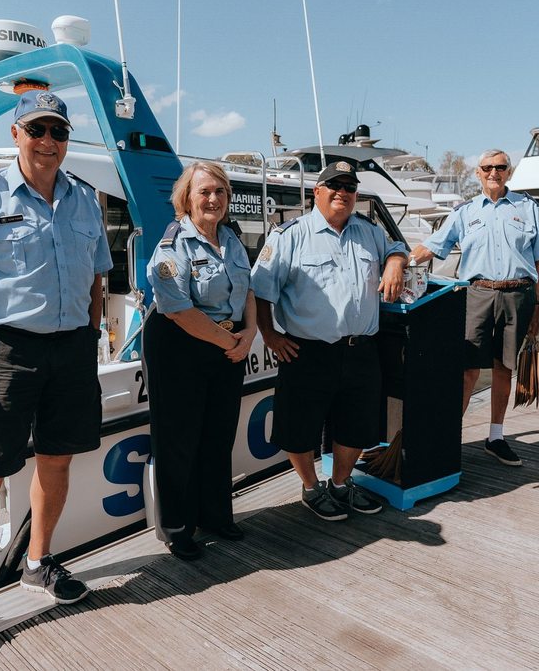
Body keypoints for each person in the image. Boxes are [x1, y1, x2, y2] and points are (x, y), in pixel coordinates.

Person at [0, 90, 113, 671]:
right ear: (16, 134)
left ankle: (38, 561)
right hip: (4, 350)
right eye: (37, 129)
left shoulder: (86, 199)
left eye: (58, 132)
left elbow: (97, 281)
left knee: (57, 460)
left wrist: (89, 337)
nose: (49, 141)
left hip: (71, 351)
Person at [251, 161, 407, 521]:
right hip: (307, 352)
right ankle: (310, 488)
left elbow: (396, 246)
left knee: (357, 425)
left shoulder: (369, 232)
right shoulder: (289, 235)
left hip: (360, 349)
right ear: (316, 193)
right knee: (297, 428)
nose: (342, 192)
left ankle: (340, 484)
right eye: (333, 185)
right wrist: (270, 335)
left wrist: (395, 261)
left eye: (349, 187)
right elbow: (260, 291)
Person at [144, 162, 257, 561]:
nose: (213, 199)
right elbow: (178, 310)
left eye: (220, 192)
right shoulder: (173, 245)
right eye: (204, 192)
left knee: (218, 435)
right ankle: (178, 528)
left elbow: (247, 290)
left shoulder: (232, 239)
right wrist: (233, 341)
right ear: (186, 199)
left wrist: (252, 330)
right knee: (179, 441)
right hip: (180, 345)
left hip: (225, 344)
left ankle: (215, 516)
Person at [409, 149, 539, 466]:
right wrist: (400, 262)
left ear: (509, 172)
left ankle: (495, 436)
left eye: (500, 167)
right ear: (478, 174)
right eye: (487, 167)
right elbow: (433, 246)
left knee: (504, 368)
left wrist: (536, 305)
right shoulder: (465, 212)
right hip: (478, 294)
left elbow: (537, 260)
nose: (494, 172)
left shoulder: (528, 208)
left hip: (518, 295)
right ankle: (448, 436)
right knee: (467, 369)